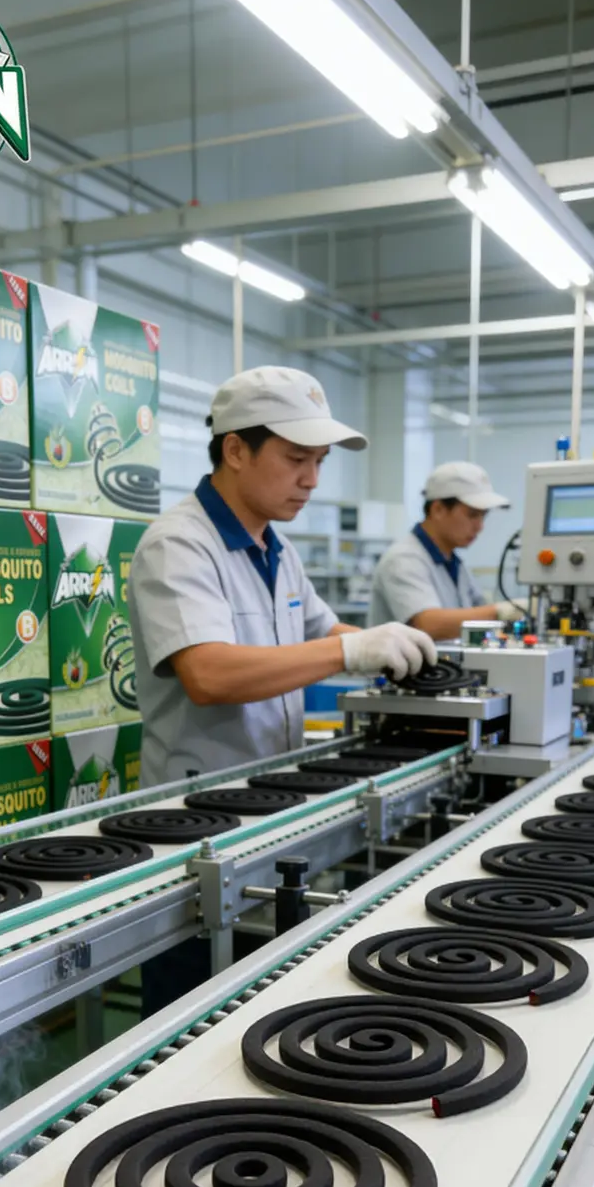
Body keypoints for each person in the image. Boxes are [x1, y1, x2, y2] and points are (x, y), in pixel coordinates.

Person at [128, 364, 436, 1013]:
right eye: (297, 459)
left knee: (266, 1017)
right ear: (236, 450)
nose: (312, 480)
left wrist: (402, 648)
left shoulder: (277, 550)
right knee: (187, 1022)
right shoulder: (178, 545)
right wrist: (350, 650)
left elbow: (325, 631)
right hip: (197, 834)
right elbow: (208, 674)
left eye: (320, 462)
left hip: (272, 815)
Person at [368, 460, 525, 640]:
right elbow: (427, 624)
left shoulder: (454, 563)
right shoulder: (403, 560)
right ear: (438, 509)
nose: (480, 526)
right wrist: (503, 611)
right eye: (472, 515)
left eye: (483, 516)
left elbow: (476, 611)